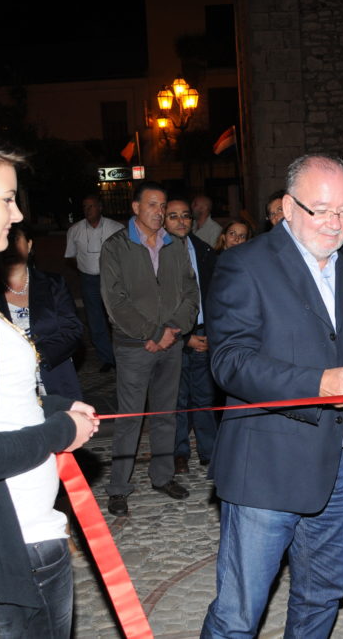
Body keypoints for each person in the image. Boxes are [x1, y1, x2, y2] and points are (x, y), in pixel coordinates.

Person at [200, 154, 343, 638]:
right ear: (286, 206)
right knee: (239, 614)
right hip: (267, 467)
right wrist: (317, 384)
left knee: (321, 596)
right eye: (321, 209)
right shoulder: (244, 263)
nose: (335, 223)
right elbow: (230, 361)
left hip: (342, 467)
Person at [0, 114, 98, 637]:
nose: (19, 212)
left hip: (31, 534)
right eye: (7, 198)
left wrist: (56, 407)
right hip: (17, 547)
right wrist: (61, 433)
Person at [100, 181, 200, 517]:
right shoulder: (116, 246)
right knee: (129, 420)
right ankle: (118, 487)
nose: (159, 212)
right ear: (135, 208)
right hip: (133, 346)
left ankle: (162, 476)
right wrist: (153, 331)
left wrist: (173, 331)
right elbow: (115, 301)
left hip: (170, 343)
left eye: (162, 206)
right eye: (153, 205)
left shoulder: (176, 244)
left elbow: (190, 292)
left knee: (165, 416)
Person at [0, 224, 84, 399]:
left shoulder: (53, 284)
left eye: (14, 239)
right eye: (3, 239)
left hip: (56, 380)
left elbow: (73, 329)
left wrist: (37, 355)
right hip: (8, 387)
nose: (9, 246)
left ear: (29, 245)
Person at [164, 199, 218, 474]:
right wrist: (184, 339)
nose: (181, 221)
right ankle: (179, 452)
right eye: (173, 216)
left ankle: (209, 450)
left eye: (185, 215)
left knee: (204, 397)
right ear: (164, 220)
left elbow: (214, 295)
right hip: (173, 338)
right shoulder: (155, 254)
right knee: (178, 399)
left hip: (203, 333)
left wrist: (210, 333)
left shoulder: (204, 251)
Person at [64, 193, 123, 372]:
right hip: (88, 280)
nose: (87, 210)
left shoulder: (116, 227)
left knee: (118, 318)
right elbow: (70, 256)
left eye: (91, 206)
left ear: (100, 207)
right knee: (95, 320)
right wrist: (84, 268)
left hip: (113, 279)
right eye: (85, 207)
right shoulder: (75, 230)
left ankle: (123, 357)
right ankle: (107, 358)